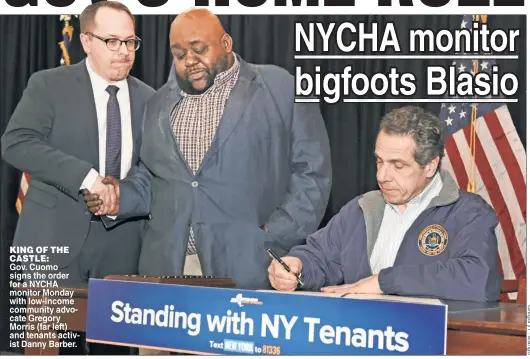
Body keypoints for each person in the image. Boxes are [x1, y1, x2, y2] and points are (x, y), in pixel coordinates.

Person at [85, 8, 332, 290]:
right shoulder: (158, 104)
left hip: (249, 266)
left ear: (226, 44)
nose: (189, 61)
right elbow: (153, 180)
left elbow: (312, 173)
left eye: (199, 49)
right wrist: (117, 198)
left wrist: (274, 233)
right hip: (169, 268)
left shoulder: (279, 87)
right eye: (179, 54)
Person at [2, 1, 155, 354]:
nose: (124, 52)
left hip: (124, 250)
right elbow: (16, 143)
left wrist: (124, 195)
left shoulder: (151, 100)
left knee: (115, 350)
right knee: (42, 349)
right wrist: (87, 178)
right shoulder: (48, 85)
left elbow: (155, 168)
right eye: (112, 41)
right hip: (53, 244)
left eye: (130, 42)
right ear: (86, 42)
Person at [268, 106, 501, 303]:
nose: (382, 176)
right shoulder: (362, 208)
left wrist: (383, 282)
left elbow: (479, 279)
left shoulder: (468, 212)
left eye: (397, 166)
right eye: (379, 161)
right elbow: (319, 257)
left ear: (430, 165)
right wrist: (296, 267)